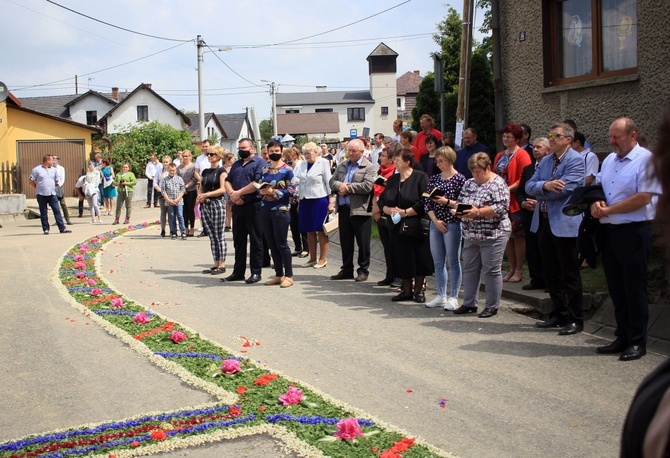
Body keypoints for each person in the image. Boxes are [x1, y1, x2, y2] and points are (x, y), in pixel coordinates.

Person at [591, 118, 661, 361]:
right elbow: (598, 185)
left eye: (616, 137)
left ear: (633, 136)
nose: (612, 142)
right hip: (610, 232)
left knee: (634, 289)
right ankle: (621, 336)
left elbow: (644, 197)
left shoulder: (647, 160)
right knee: (616, 288)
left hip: (634, 232)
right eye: (610, 137)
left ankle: (637, 341)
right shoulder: (609, 159)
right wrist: (595, 202)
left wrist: (609, 210)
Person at [527, 123, 585, 336]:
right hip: (543, 221)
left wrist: (542, 190)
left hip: (564, 223)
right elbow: (529, 185)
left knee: (568, 271)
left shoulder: (576, 160)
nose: (551, 139)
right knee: (550, 271)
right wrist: (545, 186)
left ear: (568, 139)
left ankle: (575, 318)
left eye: (556, 135)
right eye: (550, 135)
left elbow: (566, 190)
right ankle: (558, 313)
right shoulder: (545, 161)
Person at [447, 153, 511, 318]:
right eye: (473, 172)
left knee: (491, 270)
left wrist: (478, 212)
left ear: (488, 168)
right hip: (471, 233)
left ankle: (492, 306)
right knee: (470, 268)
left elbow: (502, 208)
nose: (475, 175)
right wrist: (459, 210)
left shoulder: (498, 184)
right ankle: (469, 303)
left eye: (478, 172)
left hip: (494, 233)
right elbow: (460, 201)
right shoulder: (469, 183)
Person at [379, 147, 433, 302]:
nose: (395, 162)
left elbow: (424, 201)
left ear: (407, 162)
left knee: (418, 257)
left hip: (415, 224)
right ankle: (406, 290)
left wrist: (406, 212)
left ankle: (419, 291)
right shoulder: (393, 179)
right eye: (394, 159)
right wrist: (387, 209)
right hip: (396, 226)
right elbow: (383, 199)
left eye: (398, 159)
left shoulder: (420, 177)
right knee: (401, 257)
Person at [329, 138, 378, 282]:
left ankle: (363, 270)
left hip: (360, 210)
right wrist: (339, 186)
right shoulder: (343, 165)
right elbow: (332, 181)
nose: (350, 153)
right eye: (348, 150)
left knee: (363, 243)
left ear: (362, 152)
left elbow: (368, 186)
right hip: (344, 208)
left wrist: (348, 187)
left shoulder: (369, 167)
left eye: (353, 150)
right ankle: (346, 269)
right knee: (346, 241)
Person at [424, 146, 466, 309]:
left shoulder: (460, 179)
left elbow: (463, 204)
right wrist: (435, 220)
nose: (439, 164)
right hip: (436, 223)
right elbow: (427, 202)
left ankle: (453, 296)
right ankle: (441, 294)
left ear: (450, 161)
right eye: (437, 161)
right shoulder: (434, 179)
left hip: (453, 223)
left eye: (442, 161)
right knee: (438, 261)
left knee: (453, 261)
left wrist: (446, 202)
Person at [223, 138, 266, 284]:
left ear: (252, 149)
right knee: (238, 240)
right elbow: (227, 180)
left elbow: (257, 182)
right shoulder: (236, 164)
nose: (241, 150)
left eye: (244, 148)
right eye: (239, 148)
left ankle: (255, 272)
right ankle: (238, 271)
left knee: (255, 239)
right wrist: (232, 195)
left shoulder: (260, 163)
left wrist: (238, 193)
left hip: (253, 205)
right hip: (238, 205)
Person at [494, 124, 532, 283]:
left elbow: (523, 178)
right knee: (506, 236)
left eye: (509, 137)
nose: (505, 139)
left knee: (517, 235)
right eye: (504, 136)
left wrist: (506, 189)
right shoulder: (500, 155)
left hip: (514, 200)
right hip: (501, 201)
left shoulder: (522, 154)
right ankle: (510, 268)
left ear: (517, 139)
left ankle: (519, 270)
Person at [258, 141, 296, 288]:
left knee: (282, 244)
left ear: (281, 151)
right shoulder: (265, 170)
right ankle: (278, 274)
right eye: (271, 150)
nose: (274, 153)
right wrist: (261, 191)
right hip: (265, 208)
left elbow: (293, 190)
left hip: (281, 210)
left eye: (276, 150)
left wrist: (275, 192)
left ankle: (289, 275)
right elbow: (260, 185)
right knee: (271, 244)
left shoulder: (287, 170)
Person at [517, 137, 551, 291]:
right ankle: (536, 278)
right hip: (529, 214)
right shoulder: (528, 169)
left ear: (548, 150)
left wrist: (539, 202)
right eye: (534, 147)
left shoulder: (551, 168)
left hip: (544, 213)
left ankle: (549, 281)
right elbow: (520, 191)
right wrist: (524, 203)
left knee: (546, 248)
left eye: (539, 147)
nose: (535, 149)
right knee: (532, 248)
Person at [294, 142, 334, 269]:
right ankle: (312, 258)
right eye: (305, 153)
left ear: (316, 153)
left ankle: (323, 258)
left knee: (321, 230)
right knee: (309, 230)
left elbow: (329, 182)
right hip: (305, 200)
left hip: (319, 199)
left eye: (309, 153)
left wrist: (331, 201)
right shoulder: (302, 164)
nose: (306, 156)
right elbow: (298, 181)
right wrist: (299, 199)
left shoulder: (323, 162)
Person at [197, 146, 228, 275]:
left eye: (212, 154)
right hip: (206, 204)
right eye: (208, 154)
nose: (209, 156)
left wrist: (207, 195)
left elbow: (223, 189)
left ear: (219, 156)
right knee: (211, 235)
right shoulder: (205, 171)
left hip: (217, 203)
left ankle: (222, 263)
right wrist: (200, 195)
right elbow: (201, 186)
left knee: (219, 234)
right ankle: (215, 262)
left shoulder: (222, 171)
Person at [371, 145, 397, 285]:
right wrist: (375, 208)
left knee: (394, 245)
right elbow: (375, 191)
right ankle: (390, 274)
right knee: (386, 245)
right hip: (379, 209)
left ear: (392, 160)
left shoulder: (394, 172)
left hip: (390, 210)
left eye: (383, 156)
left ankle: (398, 275)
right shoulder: (381, 171)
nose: (380, 158)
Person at [29, 154, 71, 235]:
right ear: (47, 161)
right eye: (52, 160)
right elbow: (31, 181)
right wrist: (37, 187)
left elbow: (56, 180)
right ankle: (46, 229)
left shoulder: (54, 170)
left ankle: (62, 228)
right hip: (41, 194)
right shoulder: (36, 170)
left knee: (57, 211)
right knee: (43, 212)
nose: (53, 161)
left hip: (52, 194)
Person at [160, 163, 186, 240]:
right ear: (168, 170)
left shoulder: (179, 179)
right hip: (169, 201)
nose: (172, 172)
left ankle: (183, 232)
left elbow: (183, 189)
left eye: (173, 170)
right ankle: (173, 232)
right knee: (171, 216)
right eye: (170, 170)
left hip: (179, 201)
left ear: (176, 170)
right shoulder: (165, 180)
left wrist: (178, 199)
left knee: (180, 216)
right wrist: (168, 200)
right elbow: (163, 191)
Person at [178, 149, 198, 236]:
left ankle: (192, 228)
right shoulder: (179, 167)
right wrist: (183, 188)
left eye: (187, 156)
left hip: (191, 190)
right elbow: (177, 178)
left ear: (190, 156)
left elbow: (195, 178)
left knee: (190, 210)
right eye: (184, 156)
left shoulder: (193, 166)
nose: (185, 158)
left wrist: (187, 186)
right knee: (184, 210)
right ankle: (186, 228)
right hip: (182, 191)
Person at [154, 156, 172, 237]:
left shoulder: (172, 171)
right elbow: (155, 183)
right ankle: (163, 230)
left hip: (171, 194)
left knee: (171, 213)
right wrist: (161, 190)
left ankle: (172, 230)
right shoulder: (159, 171)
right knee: (163, 212)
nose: (165, 163)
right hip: (161, 194)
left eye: (167, 162)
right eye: (164, 162)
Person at [52, 156, 72, 225]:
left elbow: (62, 179)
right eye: (53, 159)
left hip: (59, 187)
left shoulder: (61, 168)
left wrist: (58, 186)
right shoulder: (50, 168)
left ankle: (68, 219)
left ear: (57, 160)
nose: (54, 161)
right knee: (55, 205)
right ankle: (58, 220)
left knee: (63, 203)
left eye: (55, 159)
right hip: (52, 188)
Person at [222, 152, 235, 233]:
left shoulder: (234, 168)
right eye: (232, 159)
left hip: (234, 189)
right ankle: (227, 224)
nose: (234, 160)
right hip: (226, 190)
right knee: (228, 208)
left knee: (234, 208)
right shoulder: (223, 169)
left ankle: (234, 224)